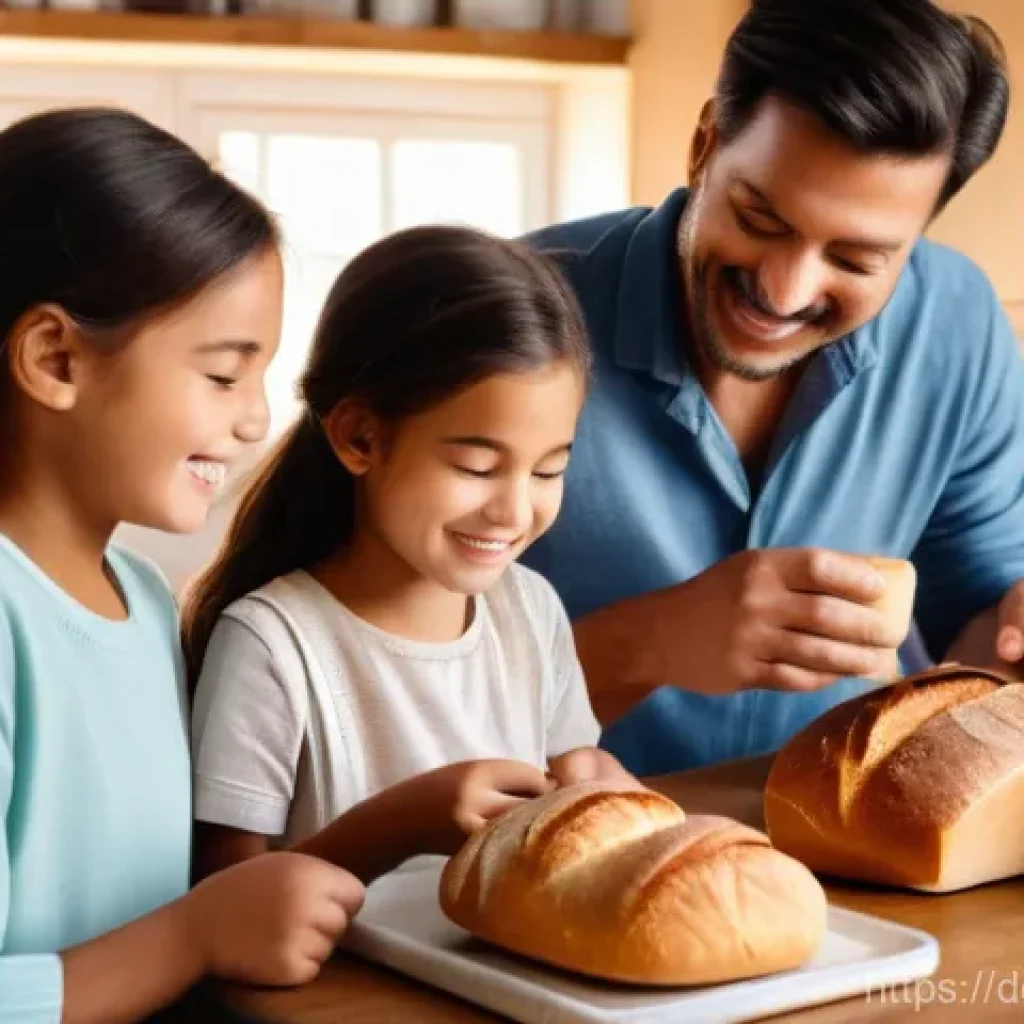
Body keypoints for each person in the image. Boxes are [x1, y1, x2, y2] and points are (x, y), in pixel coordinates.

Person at [518, 0, 1024, 775]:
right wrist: (651, 642)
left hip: (840, 837)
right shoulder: (508, 317)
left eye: (855, 260)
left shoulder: (957, 321)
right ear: (704, 146)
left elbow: (978, 623)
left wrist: (1010, 632)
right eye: (759, 218)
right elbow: (384, 688)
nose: (785, 292)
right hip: (551, 828)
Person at [0, 107, 364, 1024]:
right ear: (55, 359)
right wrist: (192, 937)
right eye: (224, 374)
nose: (256, 419)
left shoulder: (145, 599)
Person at [183, 224, 632, 887]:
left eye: (547, 471)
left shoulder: (531, 610)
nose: (514, 512)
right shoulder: (274, 645)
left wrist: (603, 792)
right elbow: (223, 895)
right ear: (360, 437)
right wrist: (398, 827)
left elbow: (574, 780)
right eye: (478, 468)